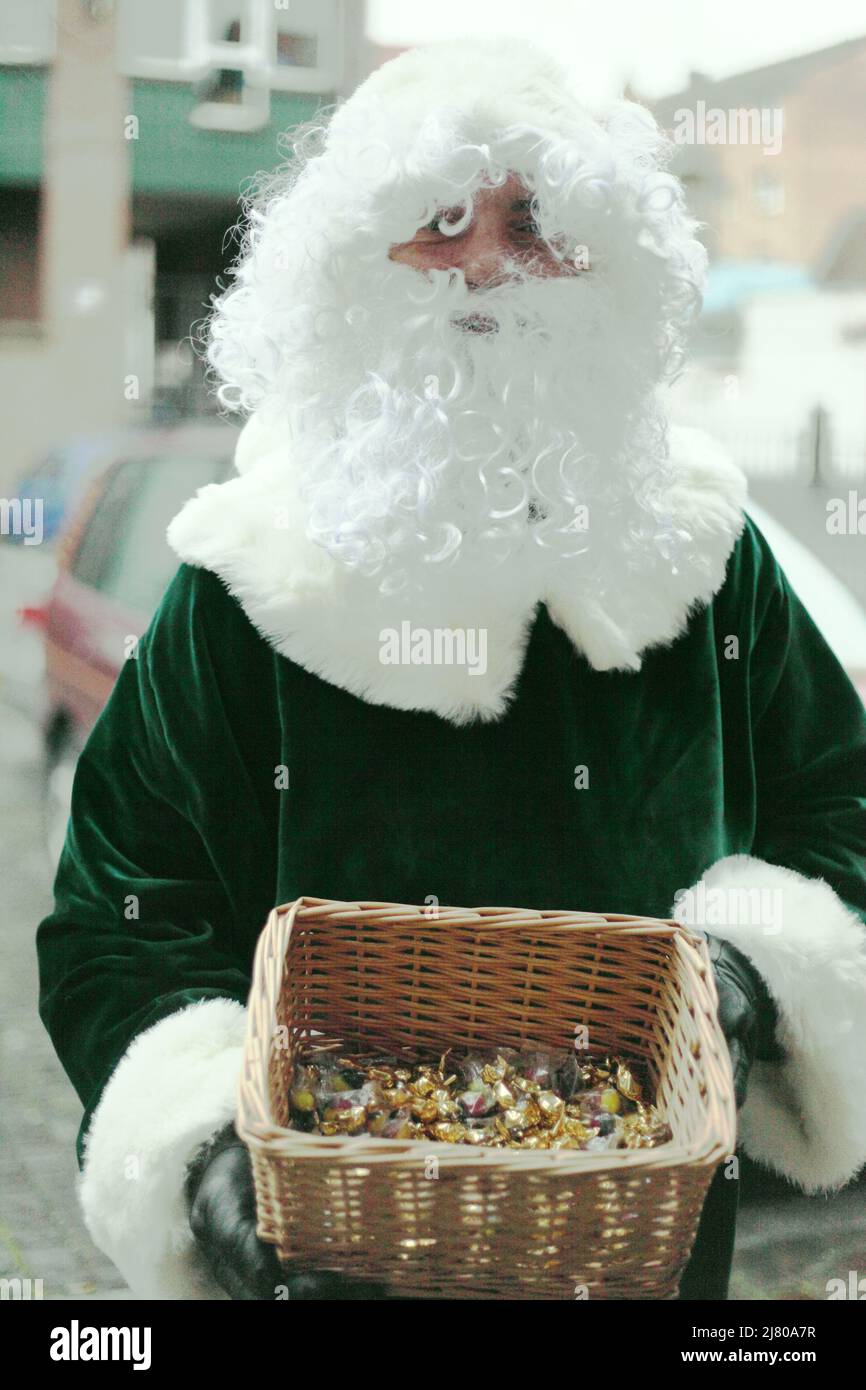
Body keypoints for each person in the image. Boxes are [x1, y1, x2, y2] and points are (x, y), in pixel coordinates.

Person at [37, 37, 866, 1301]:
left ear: (605, 263)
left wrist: (754, 969)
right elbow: (119, 917)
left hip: (645, 1265)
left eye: (535, 222)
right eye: (435, 223)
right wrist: (209, 1156)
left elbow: (842, 813)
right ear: (351, 271)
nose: (486, 264)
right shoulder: (242, 586)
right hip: (330, 1263)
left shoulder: (707, 558)